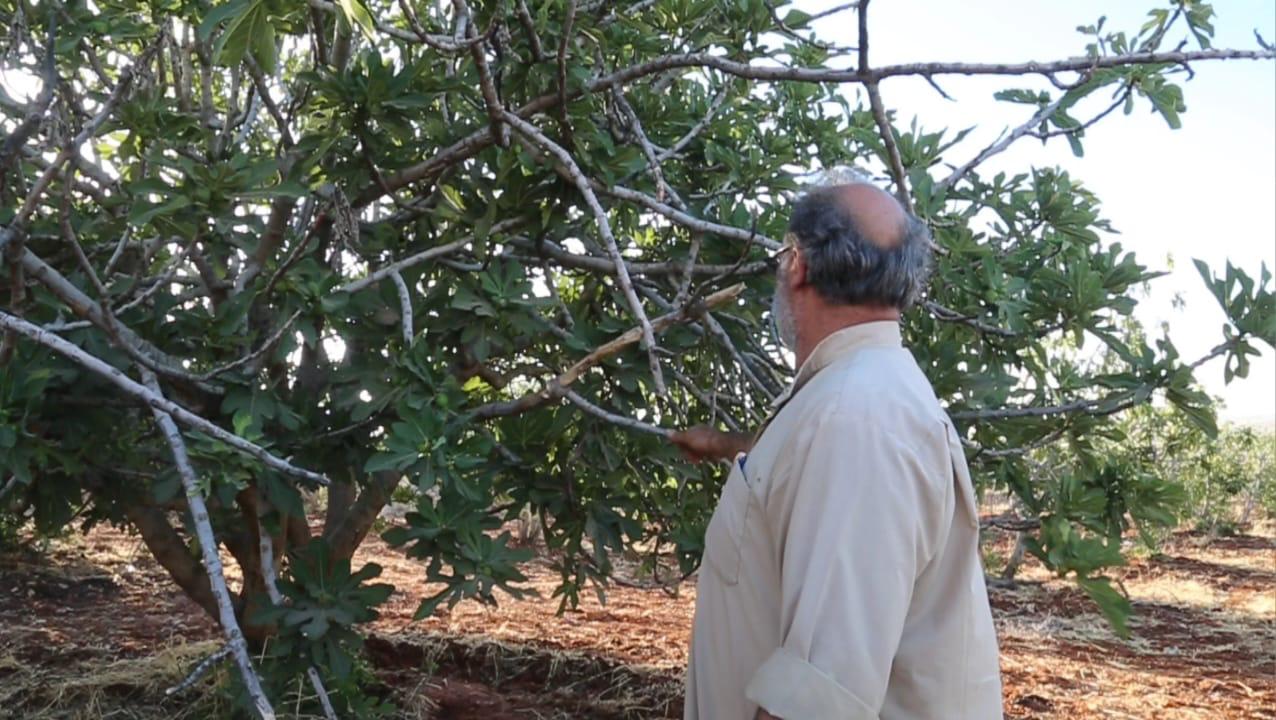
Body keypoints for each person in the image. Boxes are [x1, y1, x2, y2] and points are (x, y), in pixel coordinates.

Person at [671, 182, 1003, 719]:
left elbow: (820, 698)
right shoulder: (858, 399)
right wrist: (722, 445)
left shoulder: (856, 417)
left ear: (797, 263)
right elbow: (798, 474)